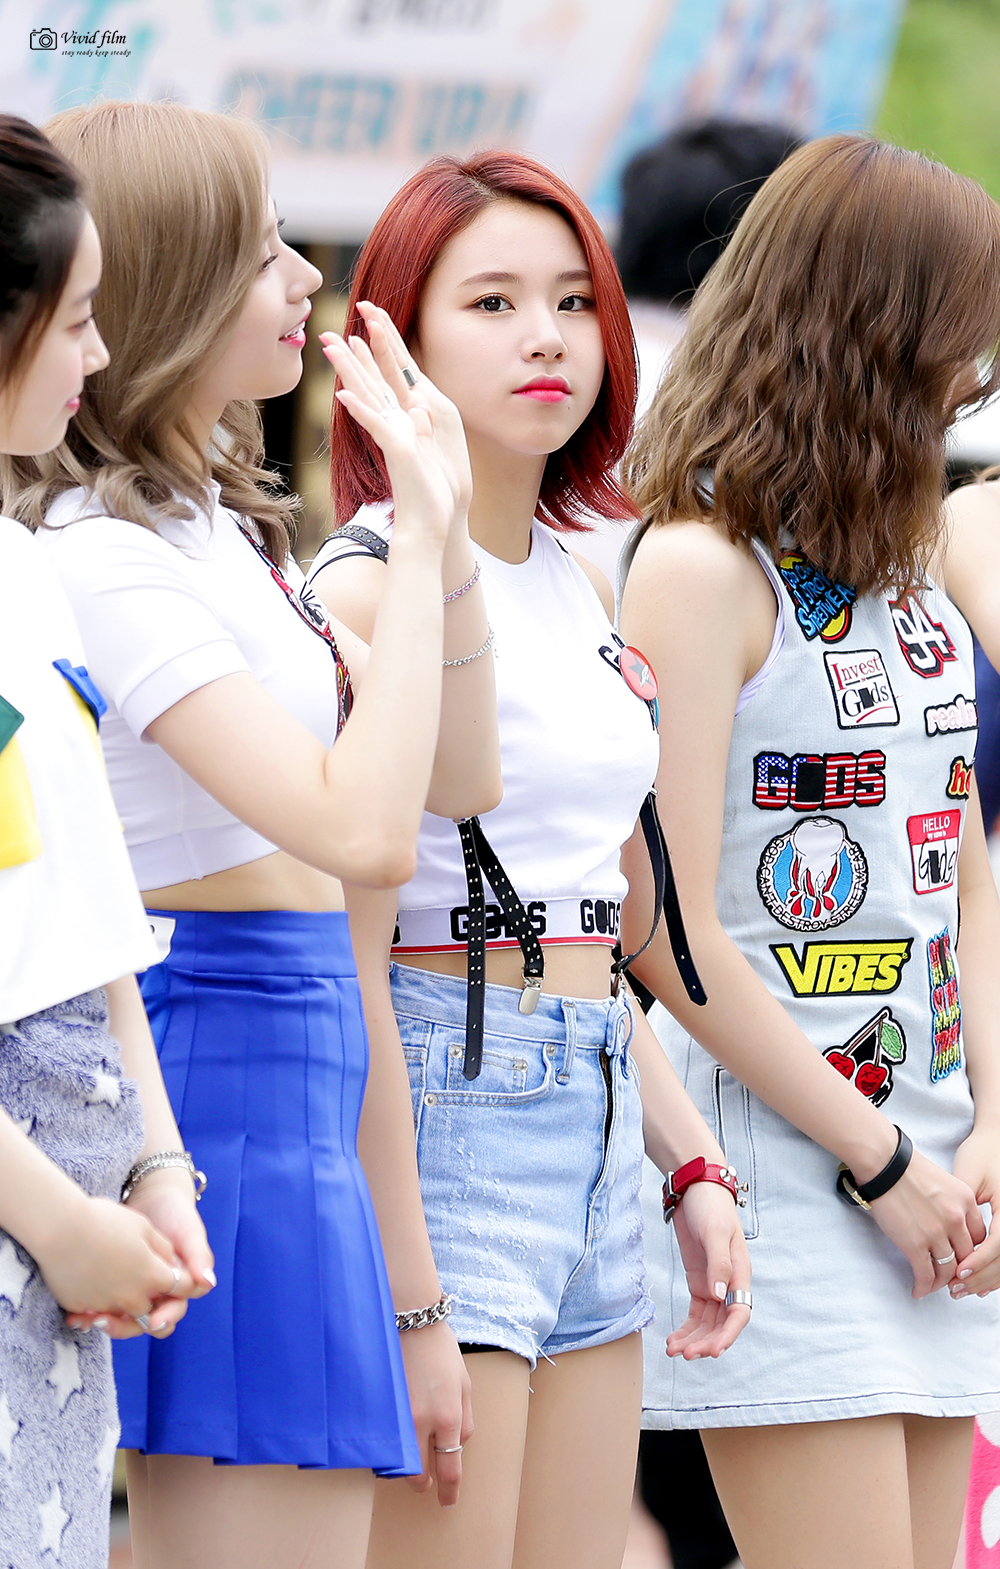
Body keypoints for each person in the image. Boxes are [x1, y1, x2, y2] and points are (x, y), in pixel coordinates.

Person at [2, 100, 496, 1569]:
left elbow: (454, 775)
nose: (304, 281)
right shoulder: (100, 555)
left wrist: (445, 533)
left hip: (283, 1054)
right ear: (177, 283)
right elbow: (367, 828)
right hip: (216, 1047)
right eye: (263, 248)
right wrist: (421, 530)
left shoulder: (217, 534)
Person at [307, 150, 752, 1569]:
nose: (546, 336)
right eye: (492, 302)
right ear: (399, 339)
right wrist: (412, 1293)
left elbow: (599, 916)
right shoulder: (365, 582)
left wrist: (686, 1162)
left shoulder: (581, 576)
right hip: (447, 1088)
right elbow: (353, 955)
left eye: (572, 300)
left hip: (595, 1100)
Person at [618, 134, 1000, 1569]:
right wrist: (880, 1160)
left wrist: (987, 1131)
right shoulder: (698, 567)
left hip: (944, 1174)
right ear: (881, 328)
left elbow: (964, 874)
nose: (975, 374)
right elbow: (668, 931)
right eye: (964, 331)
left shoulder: (916, 565)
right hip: (789, 1172)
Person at [0, 113, 211, 1568]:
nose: (98, 354)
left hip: (67, 1224)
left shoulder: (25, 570)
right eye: (75, 318)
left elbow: (91, 916)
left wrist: (154, 1165)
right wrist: (66, 1222)